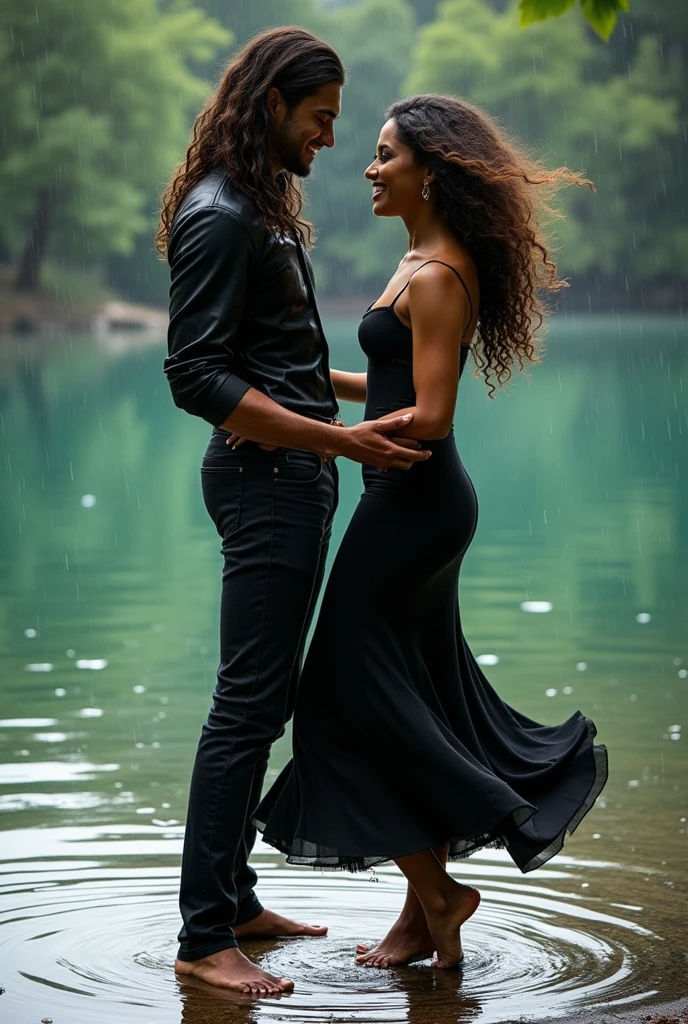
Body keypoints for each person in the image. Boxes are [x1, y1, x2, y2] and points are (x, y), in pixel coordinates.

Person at [253, 94, 609, 971]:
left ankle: (443, 894)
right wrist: (282, 393)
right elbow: (386, 388)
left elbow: (435, 416)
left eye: (385, 156)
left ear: (432, 170)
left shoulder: (440, 275)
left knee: (339, 694)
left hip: (413, 504)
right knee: (409, 693)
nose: (369, 169)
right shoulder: (417, 260)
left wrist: (325, 437)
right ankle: (426, 921)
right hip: (409, 496)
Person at [156, 30, 429, 997]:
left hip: (292, 473)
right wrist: (342, 443)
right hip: (266, 482)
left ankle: (233, 899)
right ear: (271, 102)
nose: (327, 141)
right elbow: (196, 375)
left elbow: (278, 365)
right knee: (245, 708)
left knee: (264, 701)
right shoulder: (221, 213)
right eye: (319, 120)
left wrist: (365, 404)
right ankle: (202, 935)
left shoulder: (257, 204)